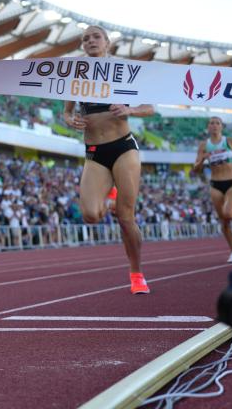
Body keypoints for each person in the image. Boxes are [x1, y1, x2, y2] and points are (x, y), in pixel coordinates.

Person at [63, 26, 154, 295]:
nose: (90, 41)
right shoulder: (75, 75)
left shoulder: (123, 72)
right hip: (94, 151)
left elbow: (149, 108)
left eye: (96, 37)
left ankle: (136, 274)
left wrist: (130, 109)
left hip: (124, 148)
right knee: (90, 214)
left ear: (107, 43)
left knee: (126, 218)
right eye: (85, 39)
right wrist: (71, 121)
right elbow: (66, 112)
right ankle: (111, 196)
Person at [193, 117, 232, 263]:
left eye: (217, 123)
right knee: (224, 221)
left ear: (221, 127)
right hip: (215, 184)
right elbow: (196, 169)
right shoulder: (204, 145)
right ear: (208, 127)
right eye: (211, 123)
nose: (214, 126)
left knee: (228, 212)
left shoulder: (229, 141)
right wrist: (202, 159)